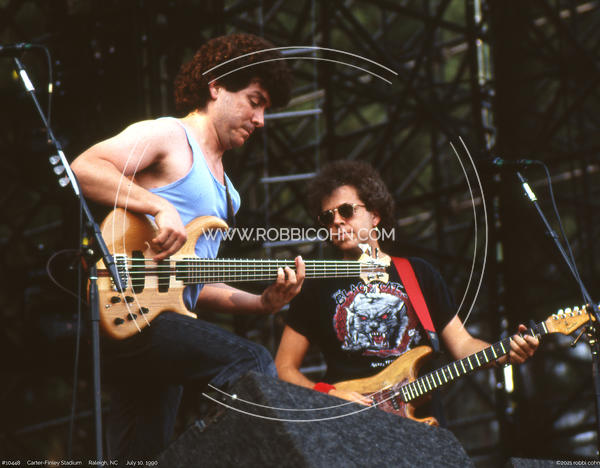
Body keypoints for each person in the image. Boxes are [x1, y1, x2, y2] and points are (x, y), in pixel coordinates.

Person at [71, 33, 305, 459]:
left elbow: (194, 280)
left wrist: (262, 304)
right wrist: (158, 205)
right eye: (255, 101)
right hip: (127, 307)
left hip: (164, 324)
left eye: (266, 109)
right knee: (251, 364)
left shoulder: (229, 196)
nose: (261, 120)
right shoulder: (169, 135)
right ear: (216, 86)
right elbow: (84, 168)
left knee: (141, 455)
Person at [275, 160, 538, 408]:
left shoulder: (419, 273)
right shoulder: (315, 285)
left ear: (375, 216)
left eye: (346, 211)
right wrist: (329, 395)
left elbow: (462, 345)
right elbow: (283, 367)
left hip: (420, 424)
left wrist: (504, 352)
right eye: (327, 217)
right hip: (349, 423)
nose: (336, 221)